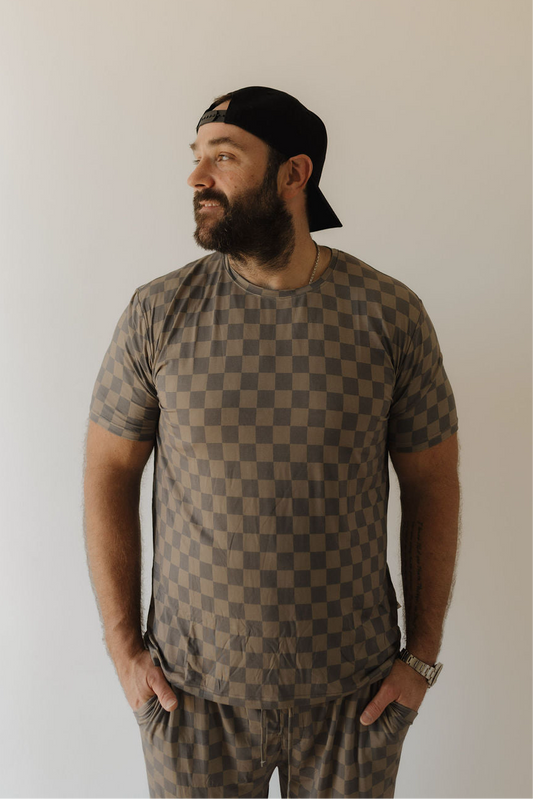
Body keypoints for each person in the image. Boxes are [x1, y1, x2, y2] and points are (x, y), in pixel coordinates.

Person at [83, 86, 460, 799]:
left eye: (223, 157)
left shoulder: (389, 315)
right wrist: (124, 649)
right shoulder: (159, 312)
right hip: (191, 699)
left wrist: (421, 658)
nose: (197, 177)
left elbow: (431, 483)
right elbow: (107, 470)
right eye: (197, 157)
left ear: (294, 173)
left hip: (355, 699)